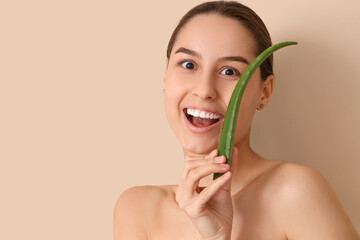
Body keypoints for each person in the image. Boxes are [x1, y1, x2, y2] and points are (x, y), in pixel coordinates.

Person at [113, 1, 359, 239]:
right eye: (188, 64)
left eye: (229, 71)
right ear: (165, 76)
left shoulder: (295, 192)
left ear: (265, 92)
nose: (204, 89)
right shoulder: (137, 209)